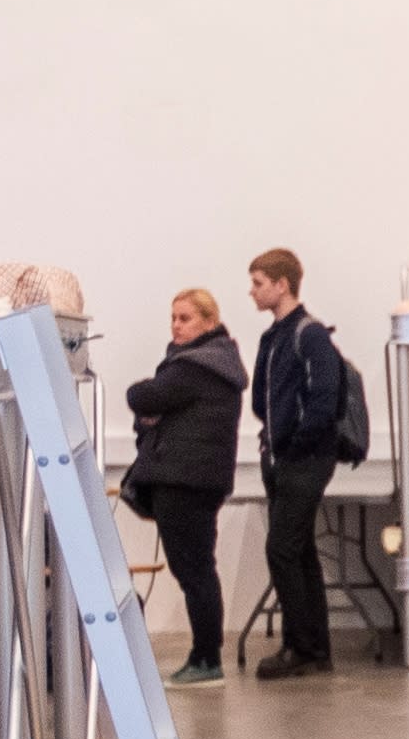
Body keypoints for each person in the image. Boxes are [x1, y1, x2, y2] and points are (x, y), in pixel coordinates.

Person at [246, 248, 364, 679]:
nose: (252, 291)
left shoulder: (309, 334)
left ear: (282, 285)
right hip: (282, 457)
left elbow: (324, 400)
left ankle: (299, 647)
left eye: (258, 283)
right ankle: (315, 649)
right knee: (300, 551)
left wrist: (296, 445)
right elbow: (260, 399)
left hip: (305, 458)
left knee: (281, 549)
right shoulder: (273, 337)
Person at [125, 285, 248, 686]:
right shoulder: (216, 364)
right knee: (198, 570)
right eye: (173, 318)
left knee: (194, 572)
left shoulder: (196, 366)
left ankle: (206, 660)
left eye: (186, 318)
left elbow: (142, 396)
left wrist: (147, 405)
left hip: (183, 481)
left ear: (210, 322)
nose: (176, 326)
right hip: (200, 481)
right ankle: (205, 656)